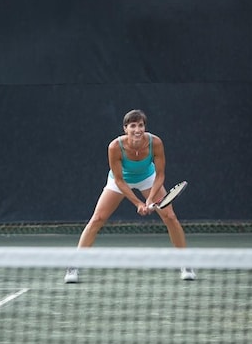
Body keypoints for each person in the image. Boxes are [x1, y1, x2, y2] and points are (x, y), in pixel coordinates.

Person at [64, 109, 195, 283]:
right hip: (120, 180)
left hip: (148, 178)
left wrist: (149, 200)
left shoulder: (155, 143)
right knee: (97, 219)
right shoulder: (115, 147)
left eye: (141, 125)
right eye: (133, 125)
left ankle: (185, 263)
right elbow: (119, 180)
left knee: (170, 217)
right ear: (125, 129)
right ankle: (74, 266)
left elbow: (160, 175)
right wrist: (138, 203)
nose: (137, 129)